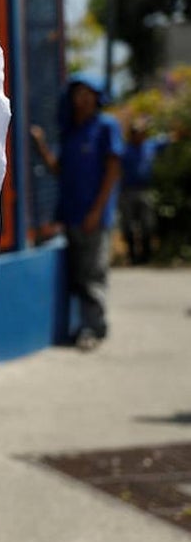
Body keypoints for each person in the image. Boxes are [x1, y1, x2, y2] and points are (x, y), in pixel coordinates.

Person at [31, 74, 123, 351]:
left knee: (93, 273)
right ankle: (85, 324)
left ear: (97, 97)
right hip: (70, 213)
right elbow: (60, 171)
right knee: (77, 274)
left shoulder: (106, 126)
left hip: (93, 216)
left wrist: (97, 211)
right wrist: (41, 146)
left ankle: (93, 328)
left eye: (88, 93)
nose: (82, 99)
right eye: (77, 93)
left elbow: (113, 170)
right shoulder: (70, 131)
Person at [118, 118, 167, 266]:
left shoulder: (149, 146)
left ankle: (146, 256)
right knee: (128, 224)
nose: (138, 135)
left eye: (141, 132)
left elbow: (167, 140)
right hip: (127, 191)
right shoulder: (124, 150)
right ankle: (132, 256)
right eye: (135, 133)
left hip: (145, 190)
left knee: (147, 224)